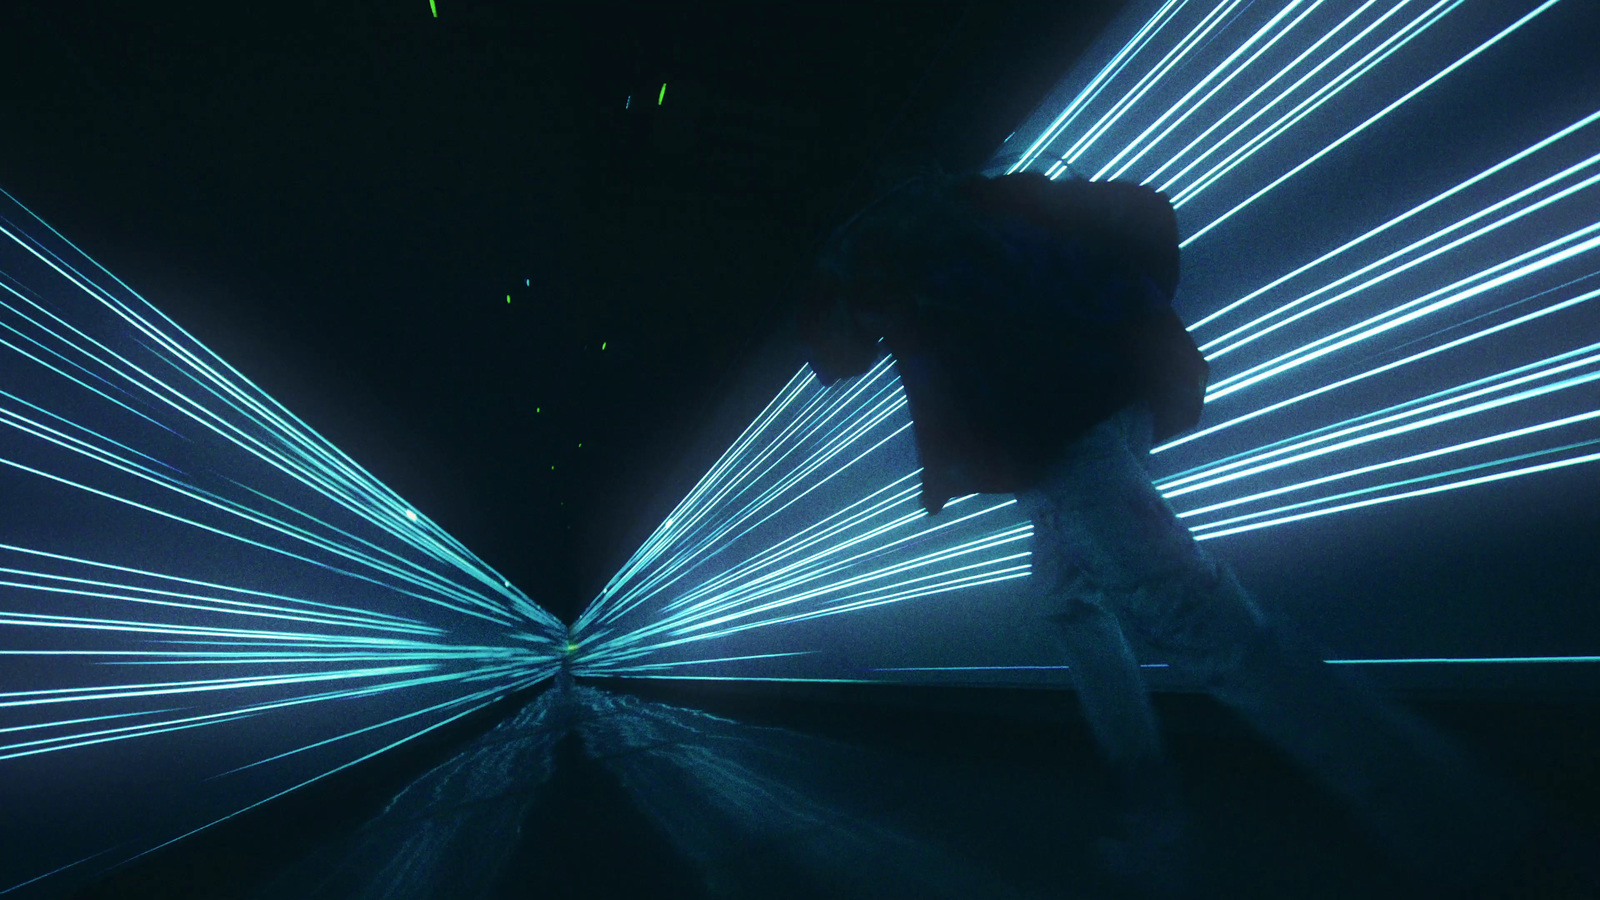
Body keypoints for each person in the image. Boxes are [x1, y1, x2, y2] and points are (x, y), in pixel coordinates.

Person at [794, 169, 1540, 896]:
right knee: (1065, 599)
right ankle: (1155, 821)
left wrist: (946, 453)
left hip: (1055, 434)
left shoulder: (865, 260)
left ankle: (1464, 831)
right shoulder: (954, 203)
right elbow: (1131, 215)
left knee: (1210, 631)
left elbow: (868, 360)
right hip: (1110, 397)